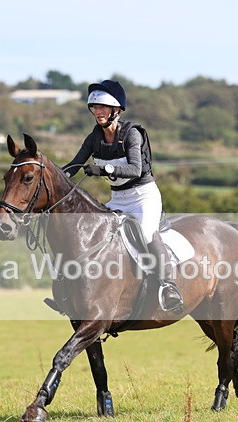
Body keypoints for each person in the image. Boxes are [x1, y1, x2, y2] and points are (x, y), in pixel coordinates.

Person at [63, 79, 183, 314]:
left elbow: (135, 169)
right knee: (96, 234)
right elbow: (76, 164)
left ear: (115, 110)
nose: (98, 112)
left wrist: (104, 169)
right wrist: (57, 176)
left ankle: (170, 287)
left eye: (103, 108)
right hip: (118, 198)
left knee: (147, 233)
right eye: (95, 107)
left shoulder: (132, 134)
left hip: (143, 197)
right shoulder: (94, 137)